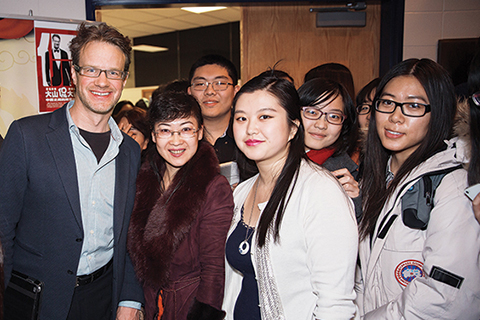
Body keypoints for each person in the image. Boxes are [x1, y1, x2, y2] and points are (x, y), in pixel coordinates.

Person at [0, 22, 144, 319]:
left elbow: (131, 233)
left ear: (124, 78)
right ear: (74, 74)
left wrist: (130, 297)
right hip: (39, 301)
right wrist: (12, 296)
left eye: (113, 72)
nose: (102, 81)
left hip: (104, 296)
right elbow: (3, 229)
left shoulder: (130, 151)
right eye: (91, 70)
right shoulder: (27, 136)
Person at [223, 72, 358, 319]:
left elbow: (336, 306)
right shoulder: (242, 192)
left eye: (265, 117)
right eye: (241, 118)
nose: (251, 128)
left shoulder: (320, 192)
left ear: (293, 128)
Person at [357, 58, 480, 318]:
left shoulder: (453, 185)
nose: (395, 117)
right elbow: (364, 274)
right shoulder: (376, 178)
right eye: (387, 102)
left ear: (438, 113)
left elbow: (444, 295)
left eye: (413, 106)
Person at [128, 91, 234, 320]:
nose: (176, 141)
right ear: (154, 136)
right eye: (165, 130)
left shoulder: (213, 187)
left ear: (200, 132)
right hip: (149, 305)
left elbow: (214, 271)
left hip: (187, 306)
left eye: (186, 129)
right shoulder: (143, 180)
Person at [298, 78, 362, 221]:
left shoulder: (345, 176)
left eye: (334, 116)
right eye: (312, 112)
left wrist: (354, 202)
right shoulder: (271, 157)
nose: (321, 125)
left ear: (344, 124)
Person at [187, 54, 240, 164]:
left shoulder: (249, 135)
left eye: (220, 83)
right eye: (201, 84)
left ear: (235, 91)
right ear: (189, 92)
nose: (210, 91)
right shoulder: (180, 140)